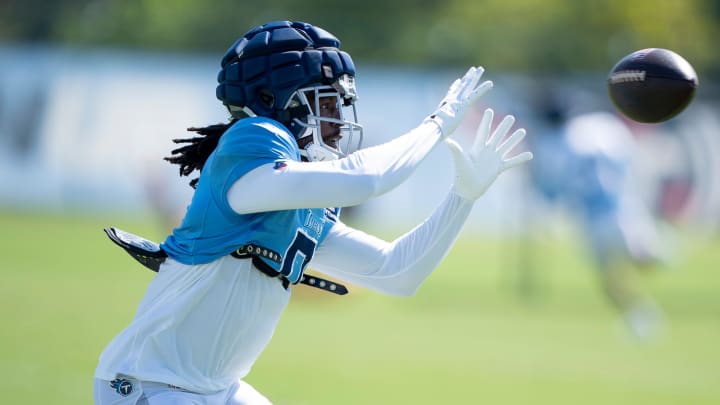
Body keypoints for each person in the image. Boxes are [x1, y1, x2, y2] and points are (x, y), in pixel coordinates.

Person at [93, 20, 532, 404]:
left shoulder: (301, 198)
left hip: (217, 388)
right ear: (273, 99)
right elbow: (368, 180)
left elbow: (399, 274)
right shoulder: (253, 137)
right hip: (149, 383)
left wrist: (463, 197)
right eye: (326, 102)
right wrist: (437, 125)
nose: (338, 118)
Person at [525, 96, 666, 341]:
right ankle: (644, 310)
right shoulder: (600, 127)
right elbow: (626, 158)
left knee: (611, 278)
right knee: (643, 262)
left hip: (592, 219)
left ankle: (640, 315)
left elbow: (551, 191)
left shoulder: (552, 145)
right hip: (623, 210)